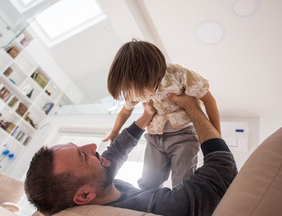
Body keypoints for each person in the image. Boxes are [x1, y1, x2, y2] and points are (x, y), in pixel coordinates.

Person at [24, 93, 237, 216]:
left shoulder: (99, 189)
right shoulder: (145, 209)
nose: (91, 146)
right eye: (82, 156)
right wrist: (193, 108)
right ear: (84, 196)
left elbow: (115, 152)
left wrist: (146, 116)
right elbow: (221, 171)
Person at [104, 39, 221, 189]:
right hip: (154, 138)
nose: (143, 94)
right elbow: (125, 111)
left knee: (183, 183)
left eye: (144, 89)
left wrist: (217, 138)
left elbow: (209, 100)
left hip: (183, 136)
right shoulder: (134, 88)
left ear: (157, 73)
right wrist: (115, 131)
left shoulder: (178, 76)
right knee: (148, 183)